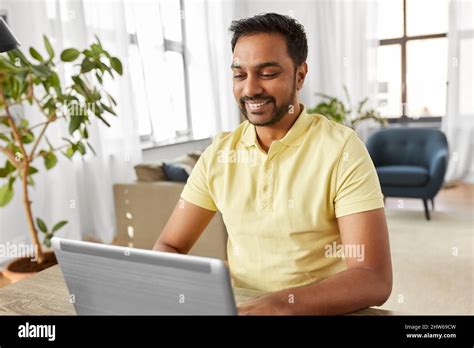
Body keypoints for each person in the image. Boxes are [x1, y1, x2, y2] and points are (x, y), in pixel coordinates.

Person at [153, 13, 392, 315]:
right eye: (240, 75)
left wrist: (282, 304)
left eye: (267, 73)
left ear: (300, 76)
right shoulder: (219, 153)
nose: (250, 89)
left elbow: (374, 279)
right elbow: (170, 246)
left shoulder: (342, 149)